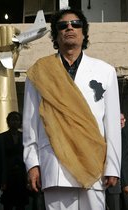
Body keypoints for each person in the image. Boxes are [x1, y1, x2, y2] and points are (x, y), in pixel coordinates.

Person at [23, 8, 121, 210]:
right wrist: (32, 164)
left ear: (83, 32)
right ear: (55, 34)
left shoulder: (105, 71)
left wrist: (113, 166)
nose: (70, 28)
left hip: (93, 164)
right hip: (55, 164)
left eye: (76, 24)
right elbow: (30, 124)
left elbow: (111, 124)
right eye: (63, 25)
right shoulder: (40, 72)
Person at [0, 111, 29, 210]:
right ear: (8, 122)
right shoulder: (2, 137)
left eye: (17, 120)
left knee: (21, 205)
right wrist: (3, 180)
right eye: (12, 120)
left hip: (21, 175)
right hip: (8, 175)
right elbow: (2, 158)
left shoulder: (24, 136)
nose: (15, 122)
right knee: (8, 204)